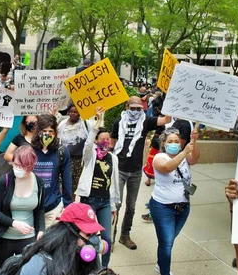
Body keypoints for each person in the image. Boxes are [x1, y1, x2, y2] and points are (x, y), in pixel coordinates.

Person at [110, 96, 172, 250]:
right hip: (119, 169)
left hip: (136, 172)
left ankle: (125, 235)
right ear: (127, 107)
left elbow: (166, 120)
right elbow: (111, 145)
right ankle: (110, 236)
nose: (136, 111)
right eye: (133, 108)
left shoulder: (146, 121)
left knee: (131, 207)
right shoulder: (118, 122)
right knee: (115, 205)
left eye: (139, 108)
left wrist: (171, 101)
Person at [149, 127, 200, 275]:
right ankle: (164, 271)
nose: (174, 144)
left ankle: (160, 264)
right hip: (162, 207)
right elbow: (167, 168)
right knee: (166, 243)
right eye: (170, 141)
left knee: (169, 241)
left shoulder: (184, 156)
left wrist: (194, 141)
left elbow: (195, 158)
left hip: (183, 207)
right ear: (164, 143)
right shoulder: (159, 158)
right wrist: (184, 152)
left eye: (177, 141)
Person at [6, 202, 107, 275]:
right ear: (70, 234)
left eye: (95, 234)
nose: (94, 241)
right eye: (88, 235)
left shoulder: (88, 257)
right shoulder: (40, 264)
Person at [76, 107, 119, 269]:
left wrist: (113, 205)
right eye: (102, 139)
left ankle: (104, 268)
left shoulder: (113, 158)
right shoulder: (90, 155)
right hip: (90, 200)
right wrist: (97, 122)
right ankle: (90, 266)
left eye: (108, 139)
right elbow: (87, 144)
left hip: (105, 202)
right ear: (96, 140)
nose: (105, 142)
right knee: (88, 237)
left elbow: (113, 184)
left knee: (106, 238)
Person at [0, 145, 45, 273]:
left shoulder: (39, 182)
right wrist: (14, 223)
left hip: (28, 238)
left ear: (31, 165)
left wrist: (41, 230)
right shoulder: (4, 181)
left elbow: (40, 210)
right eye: (15, 164)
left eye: (22, 166)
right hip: (4, 238)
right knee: (2, 272)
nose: (17, 169)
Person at [17, 114, 72, 228]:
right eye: (44, 130)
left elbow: (67, 180)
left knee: (48, 243)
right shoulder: (29, 150)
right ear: (38, 131)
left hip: (53, 208)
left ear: (55, 133)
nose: (48, 134)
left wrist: (67, 205)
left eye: (51, 131)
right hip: (31, 207)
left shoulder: (61, 151)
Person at [58, 103, 93, 199]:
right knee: (61, 184)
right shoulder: (62, 124)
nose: (74, 114)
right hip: (63, 160)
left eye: (76, 112)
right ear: (68, 112)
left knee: (73, 186)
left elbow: (92, 138)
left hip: (78, 161)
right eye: (72, 111)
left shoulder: (86, 124)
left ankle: (70, 205)